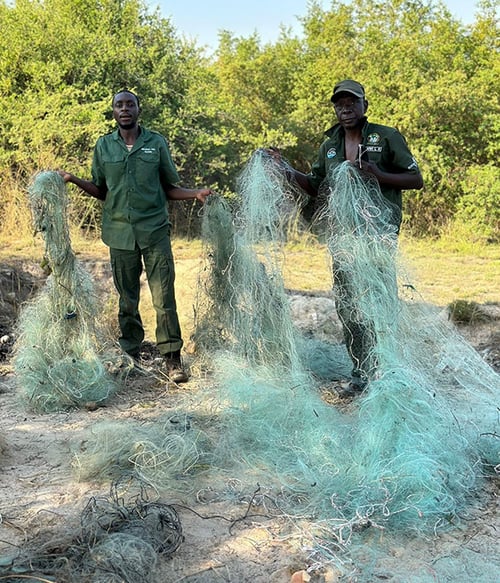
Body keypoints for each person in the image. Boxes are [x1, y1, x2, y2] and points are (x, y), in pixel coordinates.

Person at [270, 79, 423, 396]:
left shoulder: (386, 137)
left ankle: (386, 370)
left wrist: (378, 175)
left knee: (378, 304)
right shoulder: (329, 145)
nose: (346, 109)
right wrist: (284, 169)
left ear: (364, 105)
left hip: (377, 237)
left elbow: (415, 178)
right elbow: (315, 185)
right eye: (340, 104)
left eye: (352, 102)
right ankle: (361, 373)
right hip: (343, 238)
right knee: (349, 305)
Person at [59, 89, 212, 383]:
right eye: (119, 105)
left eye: (130, 104)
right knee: (126, 300)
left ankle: (172, 359)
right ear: (113, 112)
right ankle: (130, 356)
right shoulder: (104, 147)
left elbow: (168, 187)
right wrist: (74, 179)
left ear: (139, 110)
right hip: (119, 234)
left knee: (164, 297)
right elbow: (102, 191)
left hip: (154, 231)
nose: (125, 109)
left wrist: (195, 194)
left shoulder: (156, 143)